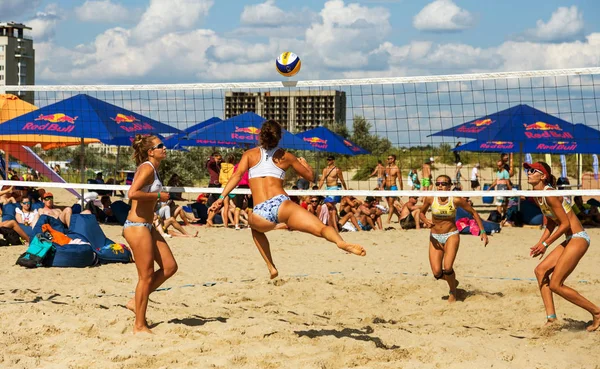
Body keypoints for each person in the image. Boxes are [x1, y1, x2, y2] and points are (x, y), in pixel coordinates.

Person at [210, 120, 365, 279]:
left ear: (260, 135)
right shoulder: (286, 156)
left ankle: (271, 267)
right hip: (282, 203)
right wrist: (306, 165)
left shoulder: (249, 155)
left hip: (261, 210)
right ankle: (340, 242)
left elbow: (236, 176)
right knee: (320, 228)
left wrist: (221, 198)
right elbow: (311, 177)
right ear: (279, 137)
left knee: (255, 228)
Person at [525, 161, 600, 331]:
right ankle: (551, 319)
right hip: (569, 239)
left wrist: (546, 244)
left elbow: (565, 224)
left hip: (578, 237)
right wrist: (540, 242)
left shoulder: (550, 194)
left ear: (543, 176)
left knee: (556, 284)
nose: (528, 173)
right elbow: (552, 223)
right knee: (540, 271)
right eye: (528, 170)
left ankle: (596, 312)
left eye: (532, 171)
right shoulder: (538, 196)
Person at [122, 135, 178, 334]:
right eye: (160, 146)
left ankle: (134, 301)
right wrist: (158, 196)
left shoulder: (154, 169)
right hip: (136, 227)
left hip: (147, 225)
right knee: (145, 277)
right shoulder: (146, 167)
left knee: (170, 267)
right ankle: (139, 325)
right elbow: (132, 193)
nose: (164, 148)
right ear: (150, 151)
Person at [419, 175, 488, 302]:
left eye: (443, 184)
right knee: (437, 273)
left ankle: (453, 292)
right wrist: (426, 220)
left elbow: (473, 212)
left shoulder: (456, 200)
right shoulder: (430, 198)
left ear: (449, 186)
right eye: (438, 183)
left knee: (448, 267)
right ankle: (453, 282)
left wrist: (482, 231)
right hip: (434, 236)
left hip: (451, 234)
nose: (440, 186)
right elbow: (421, 212)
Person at [383, 154, 402, 223]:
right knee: (390, 205)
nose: (387, 160)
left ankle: (388, 220)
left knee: (391, 204)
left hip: (393, 187)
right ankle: (399, 216)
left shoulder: (396, 168)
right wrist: (382, 186)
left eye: (389, 159)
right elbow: (385, 178)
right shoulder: (386, 168)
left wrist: (402, 190)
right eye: (387, 159)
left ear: (393, 159)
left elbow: (400, 179)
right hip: (386, 188)